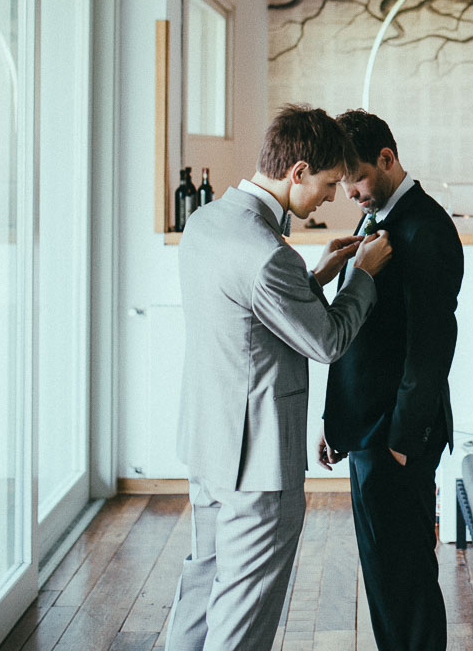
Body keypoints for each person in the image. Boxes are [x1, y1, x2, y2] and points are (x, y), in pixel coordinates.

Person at [170, 104, 392, 651]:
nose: (330, 197)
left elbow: (252, 314)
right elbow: (326, 341)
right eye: (327, 183)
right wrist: (362, 277)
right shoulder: (268, 254)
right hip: (258, 463)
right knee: (243, 610)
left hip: (207, 445)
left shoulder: (208, 222)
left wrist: (316, 274)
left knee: (202, 587)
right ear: (296, 171)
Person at [317, 109, 464, 651]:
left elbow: (432, 346)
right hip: (365, 429)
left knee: (405, 577)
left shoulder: (427, 228)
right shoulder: (371, 217)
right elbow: (354, 333)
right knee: (383, 574)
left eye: (355, 177)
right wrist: (336, 420)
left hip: (397, 437)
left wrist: (403, 441)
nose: (349, 193)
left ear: (387, 158)